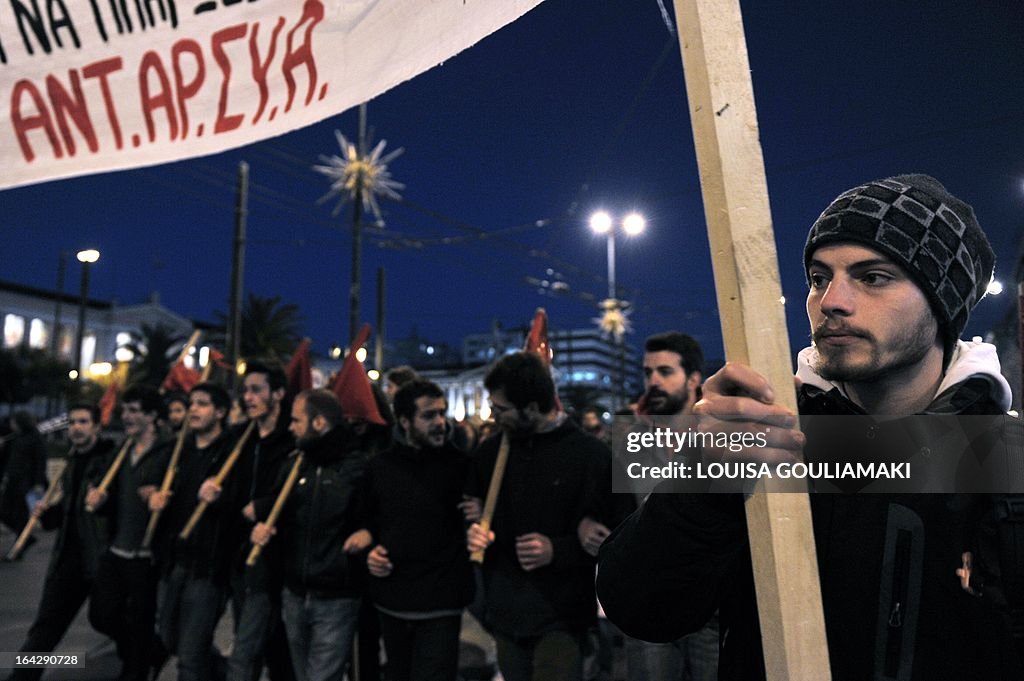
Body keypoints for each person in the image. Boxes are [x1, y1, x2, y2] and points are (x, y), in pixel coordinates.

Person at [597, 175, 1024, 679]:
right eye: (820, 278)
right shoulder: (770, 437)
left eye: (873, 277)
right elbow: (642, 610)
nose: (831, 302)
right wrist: (702, 480)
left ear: (942, 304)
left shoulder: (1001, 456)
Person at [466, 351, 608, 681]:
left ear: (531, 408)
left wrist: (557, 550)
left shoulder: (590, 456)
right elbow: (474, 513)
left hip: (562, 615)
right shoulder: (491, 453)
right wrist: (474, 531)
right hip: (504, 612)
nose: (493, 415)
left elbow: (609, 536)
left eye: (501, 409)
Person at [250, 389, 370, 681]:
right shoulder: (295, 465)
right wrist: (266, 530)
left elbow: (375, 517)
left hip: (335, 595)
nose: (290, 427)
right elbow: (281, 513)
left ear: (318, 423)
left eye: (296, 421)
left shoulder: (356, 468)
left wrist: (368, 533)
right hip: (295, 593)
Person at [620, 332, 718, 681]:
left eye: (665, 371)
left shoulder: (721, 438)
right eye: (648, 373)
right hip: (650, 598)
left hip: (712, 603)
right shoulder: (631, 440)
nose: (653, 382)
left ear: (693, 378)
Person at [361, 379, 474, 681]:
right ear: (405, 421)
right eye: (428, 416)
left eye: (441, 413)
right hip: (393, 600)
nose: (439, 422)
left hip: (441, 602)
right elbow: (365, 522)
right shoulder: (380, 467)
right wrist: (369, 552)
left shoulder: (462, 467)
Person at [7, 404, 115, 681]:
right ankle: (22, 677)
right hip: (69, 556)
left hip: (100, 558)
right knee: (47, 625)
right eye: (72, 423)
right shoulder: (71, 461)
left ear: (96, 427)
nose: (76, 428)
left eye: (83, 422)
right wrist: (48, 514)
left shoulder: (109, 461)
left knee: (108, 619)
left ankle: (144, 656)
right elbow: (70, 507)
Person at [149, 382, 241, 681]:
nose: (194, 410)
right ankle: (217, 670)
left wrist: (219, 498)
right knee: (169, 638)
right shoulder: (181, 449)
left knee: (189, 655)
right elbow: (150, 482)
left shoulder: (231, 454)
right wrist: (154, 496)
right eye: (192, 404)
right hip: (175, 559)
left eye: (202, 404)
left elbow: (239, 504)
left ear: (221, 411)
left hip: (208, 566)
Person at [86, 384, 173, 681]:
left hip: (145, 552)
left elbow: (177, 495)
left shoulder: (169, 453)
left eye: (134, 411)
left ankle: (135, 669)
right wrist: (98, 499)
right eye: (125, 410)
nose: (126, 416)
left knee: (141, 618)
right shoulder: (122, 451)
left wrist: (160, 498)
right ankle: (148, 650)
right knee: (101, 613)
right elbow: (107, 491)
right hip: (117, 548)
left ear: (152, 416)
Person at [228, 359, 295, 681]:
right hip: (241, 556)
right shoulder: (241, 438)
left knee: (245, 652)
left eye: (256, 390)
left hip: (276, 559)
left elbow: (299, 492)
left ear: (278, 394)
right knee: (262, 646)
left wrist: (264, 508)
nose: (248, 397)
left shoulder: (293, 441)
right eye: (245, 391)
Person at [0, 411, 47, 556]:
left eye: (14, 422)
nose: (12, 425)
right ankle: (26, 538)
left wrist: (39, 483)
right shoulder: (14, 437)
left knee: (20, 515)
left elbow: (40, 461)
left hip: (27, 484)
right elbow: (5, 459)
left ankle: (20, 545)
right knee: (4, 512)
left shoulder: (35, 438)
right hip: (12, 482)